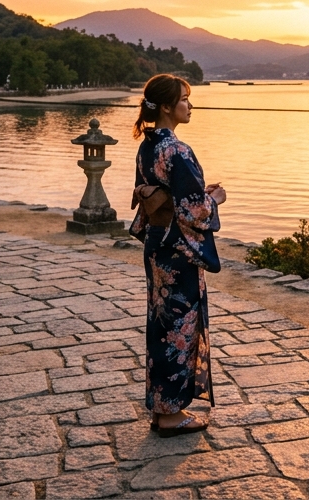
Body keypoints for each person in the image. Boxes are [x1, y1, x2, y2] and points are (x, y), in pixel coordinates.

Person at [130, 74, 225, 437]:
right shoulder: (178, 150)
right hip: (179, 251)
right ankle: (170, 414)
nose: (190, 105)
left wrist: (196, 195)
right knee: (180, 329)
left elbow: (163, 195)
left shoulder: (148, 146)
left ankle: (162, 406)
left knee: (161, 325)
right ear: (167, 106)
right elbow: (194, 210)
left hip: (158, 246)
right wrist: (212, 199)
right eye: (184, 99)